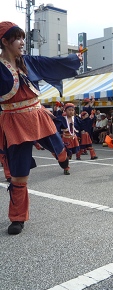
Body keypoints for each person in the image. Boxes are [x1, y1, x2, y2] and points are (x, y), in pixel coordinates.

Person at [0, 21, 81, 234]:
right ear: (5, 42)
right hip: (14, 121)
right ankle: (17, 218)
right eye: (17, 38)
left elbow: (50, 63)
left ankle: (63, 157)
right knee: (19, 173)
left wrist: (73, 59)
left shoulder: (27, 61)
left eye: (23, 38)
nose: (22, 42)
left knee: (58, 148)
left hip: (37, 115)